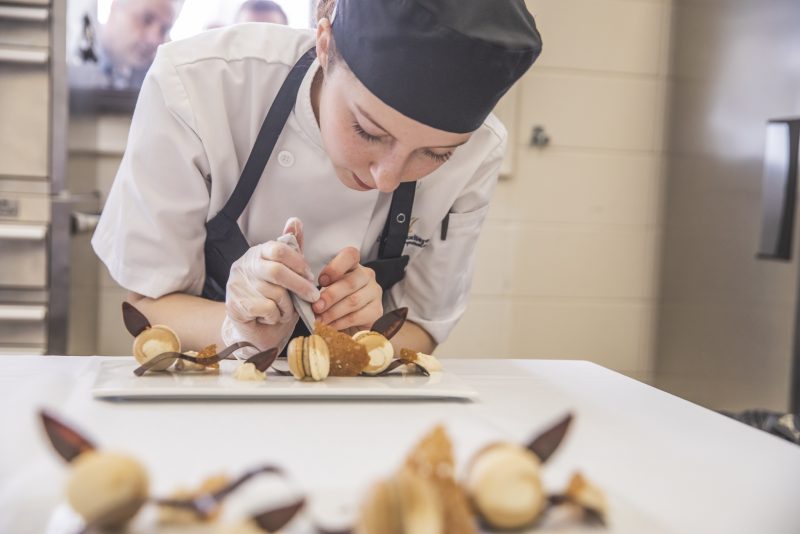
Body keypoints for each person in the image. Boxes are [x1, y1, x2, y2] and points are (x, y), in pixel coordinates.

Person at [92, 0, 542, 356]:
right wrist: (236, 325)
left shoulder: (479, 150)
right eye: (368, 131)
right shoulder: (198, 85)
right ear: (324, 44)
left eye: (434, 154)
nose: (387, 180)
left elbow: (421, 330)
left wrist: (364, 333)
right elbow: (146, 306)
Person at [71, 0, 183, 90]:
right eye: (146, 20)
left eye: (164, 29)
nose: (154, 40)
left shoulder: (158, 82)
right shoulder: (70, 67)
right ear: (115, 6)